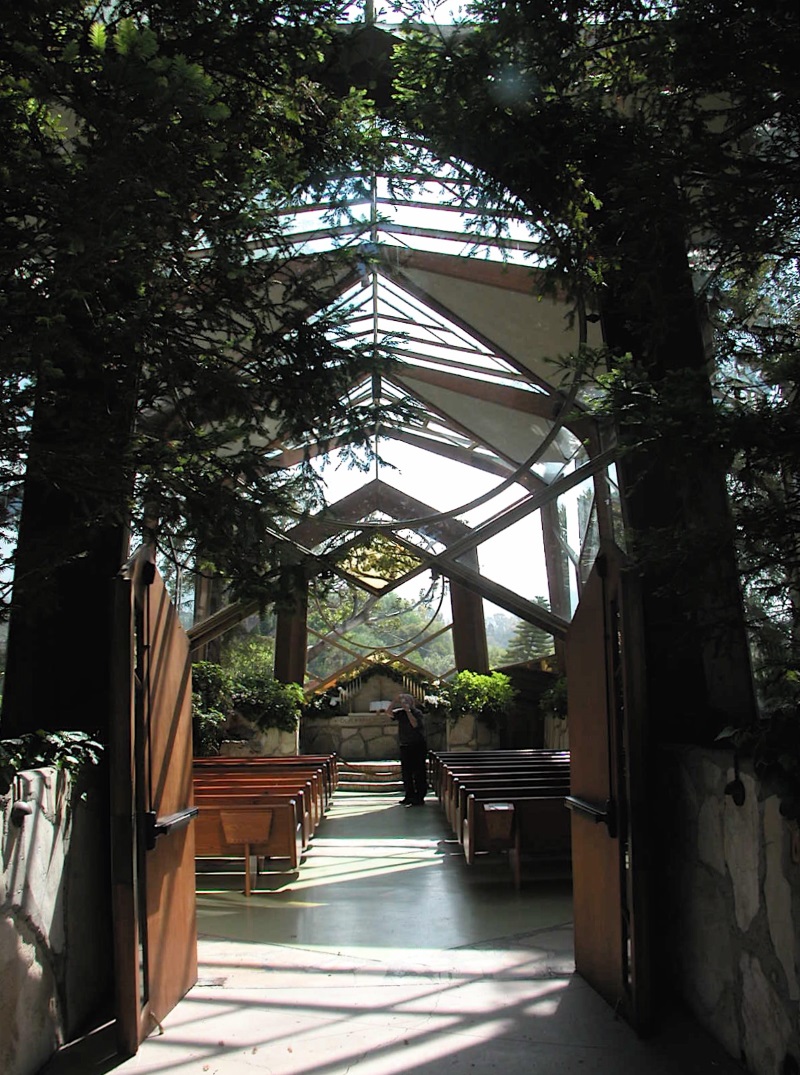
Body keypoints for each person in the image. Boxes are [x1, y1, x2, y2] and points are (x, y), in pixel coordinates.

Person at [389, 692, 428, 806]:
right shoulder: (400, 713)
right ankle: (409, 795)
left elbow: (414, 724)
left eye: (407, 701)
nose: (405, 703)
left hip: (417, 745)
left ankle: (419, 796)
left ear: (411, 702)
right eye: (403, 701)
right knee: (406, 773)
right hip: (405, 745)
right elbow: (388, 713)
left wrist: (408, 711)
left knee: (419, 772)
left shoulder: (417, 713)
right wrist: (394, 701)